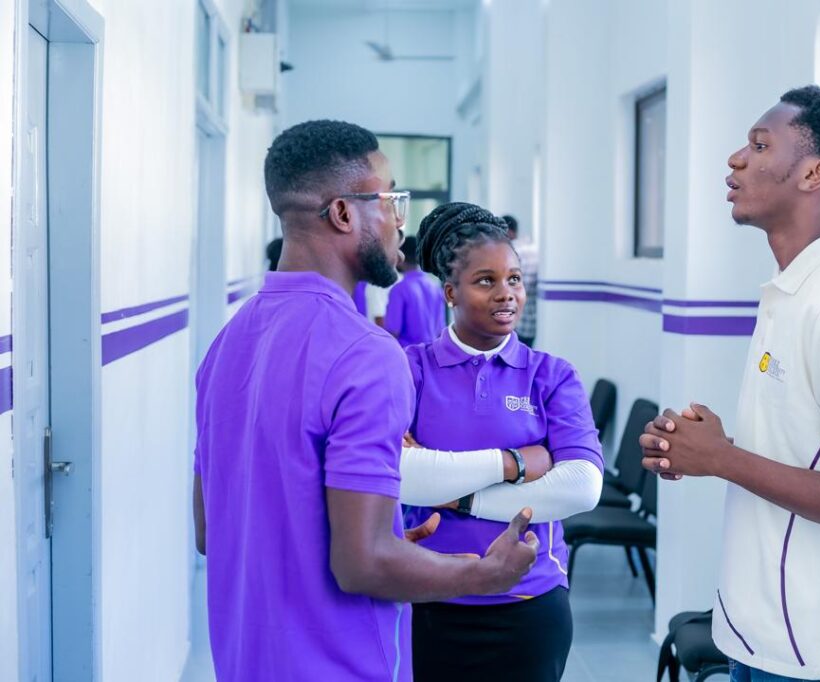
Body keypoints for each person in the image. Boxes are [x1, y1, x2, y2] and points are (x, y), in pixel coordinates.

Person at [192, 120, 540, 682]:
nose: (401, 221)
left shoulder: (228, 343)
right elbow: (362, 564)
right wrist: (483, 574)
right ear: (343, 213)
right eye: (392, 200)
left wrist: (395, 546)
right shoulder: (365, 354)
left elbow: (213, 531)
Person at [641, 86, 820, 682]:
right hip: (757, 633)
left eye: (759, 146)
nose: (735, 159)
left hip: (812, 652)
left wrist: (722, 459)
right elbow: (798, 451)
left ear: (814, 174)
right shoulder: (791, 290)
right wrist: (700, 449)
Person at [400, 202, 604, 682]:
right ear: (450, 292)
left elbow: (581, 487)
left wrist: (459, 497)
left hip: (529, 603)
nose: (506, 293)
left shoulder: (551, 376)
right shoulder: (410, 369)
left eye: (514, 279)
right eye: (485, 280)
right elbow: (397, 474)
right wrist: (514, 463)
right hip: (429, 597)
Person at [384, 235, 447, 347]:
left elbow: (393, 332)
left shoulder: (399, 290)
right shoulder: (435, 288)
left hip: (407, 355)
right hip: (431, 354)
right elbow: (440, 331)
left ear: (401, 257)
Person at [502, 214, 539, 347]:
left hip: (515, 322)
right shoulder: (534, 249)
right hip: (532, 322)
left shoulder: (510, 252)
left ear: (507, 231)